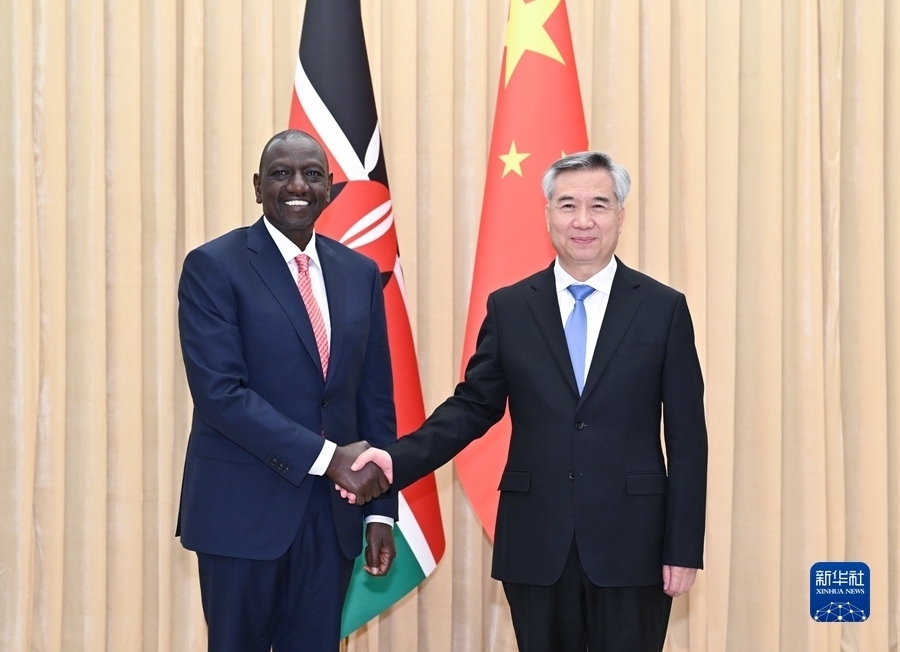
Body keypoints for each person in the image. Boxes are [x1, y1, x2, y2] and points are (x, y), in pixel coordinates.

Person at [344, 152, 708, 651]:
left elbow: (688, 439)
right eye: (568, 205)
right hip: (537, 543)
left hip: (634, 546)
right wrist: (397, 458)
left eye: (599, 205)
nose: (583, 221)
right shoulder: (511, 307)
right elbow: (473, 406)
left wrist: (682, 547)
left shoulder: (663, 309)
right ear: (548, 214)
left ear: (621, 215)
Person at [176, 129, 397, 651]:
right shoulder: (213, 266)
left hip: (333, 517)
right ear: (258, 186)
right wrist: (329, 458)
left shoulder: (360, 273)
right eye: (281, 174)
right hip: (241, 515)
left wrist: (380, 510)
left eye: (311, 174)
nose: (297, 185)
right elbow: (221, 394)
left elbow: (374, 396)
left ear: (330, 188)